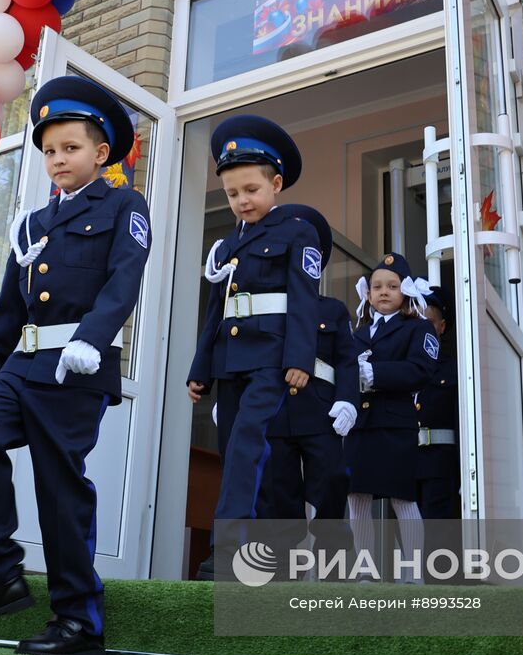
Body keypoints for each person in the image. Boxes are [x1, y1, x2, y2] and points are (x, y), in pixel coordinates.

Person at [0, 76, 150, 655]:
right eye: (49, 150)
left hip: (77, 367)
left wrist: (95, 338)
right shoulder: (31, 223)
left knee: (59, 488)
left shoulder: (124, 205)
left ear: (101, 154)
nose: (57, 159)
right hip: (23, 365)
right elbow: (8, 306)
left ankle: (79, 619)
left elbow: (124, 279)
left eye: (71, 148)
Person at [187, 116, 320, 578]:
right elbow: (215, 310)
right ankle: (259, 554)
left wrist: (300, 358)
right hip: (230, 361)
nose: (242, 200)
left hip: (271, 357)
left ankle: (227, 549)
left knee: (247, 445)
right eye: (232, 193)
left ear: (276, 183)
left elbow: (306, 298)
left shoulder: (297, 231)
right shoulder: (224, 246)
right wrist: (200, 368)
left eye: (251, 189)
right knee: (235, 452)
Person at [258, 204, 357, 570]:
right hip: (275, 412)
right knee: (277, 496)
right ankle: (281, 576)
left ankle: (336, 572)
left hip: (320, 411)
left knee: (332, 484)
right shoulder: (264, 306)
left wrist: (347, 400)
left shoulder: (331, 310)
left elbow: (347, 360)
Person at [344, 252, 437, 581]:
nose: (383, 292)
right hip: (360, 425)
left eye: (392, 286)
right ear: (367, 293)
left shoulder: (419, 328)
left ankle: (413, 574)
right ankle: (365, 572)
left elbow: (420, 370)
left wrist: (375, 374)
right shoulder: (356, 333)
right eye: (376, 286)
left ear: (406, 291)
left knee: (402, 496)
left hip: (395, 422)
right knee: (357, 496)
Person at [416, 285, 462, 520]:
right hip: (404, 463)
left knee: (437, 543)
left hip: (440, 464)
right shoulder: (398, 365)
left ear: (441, 327)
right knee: (406, 546)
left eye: (429, 323)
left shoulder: (456, 367)